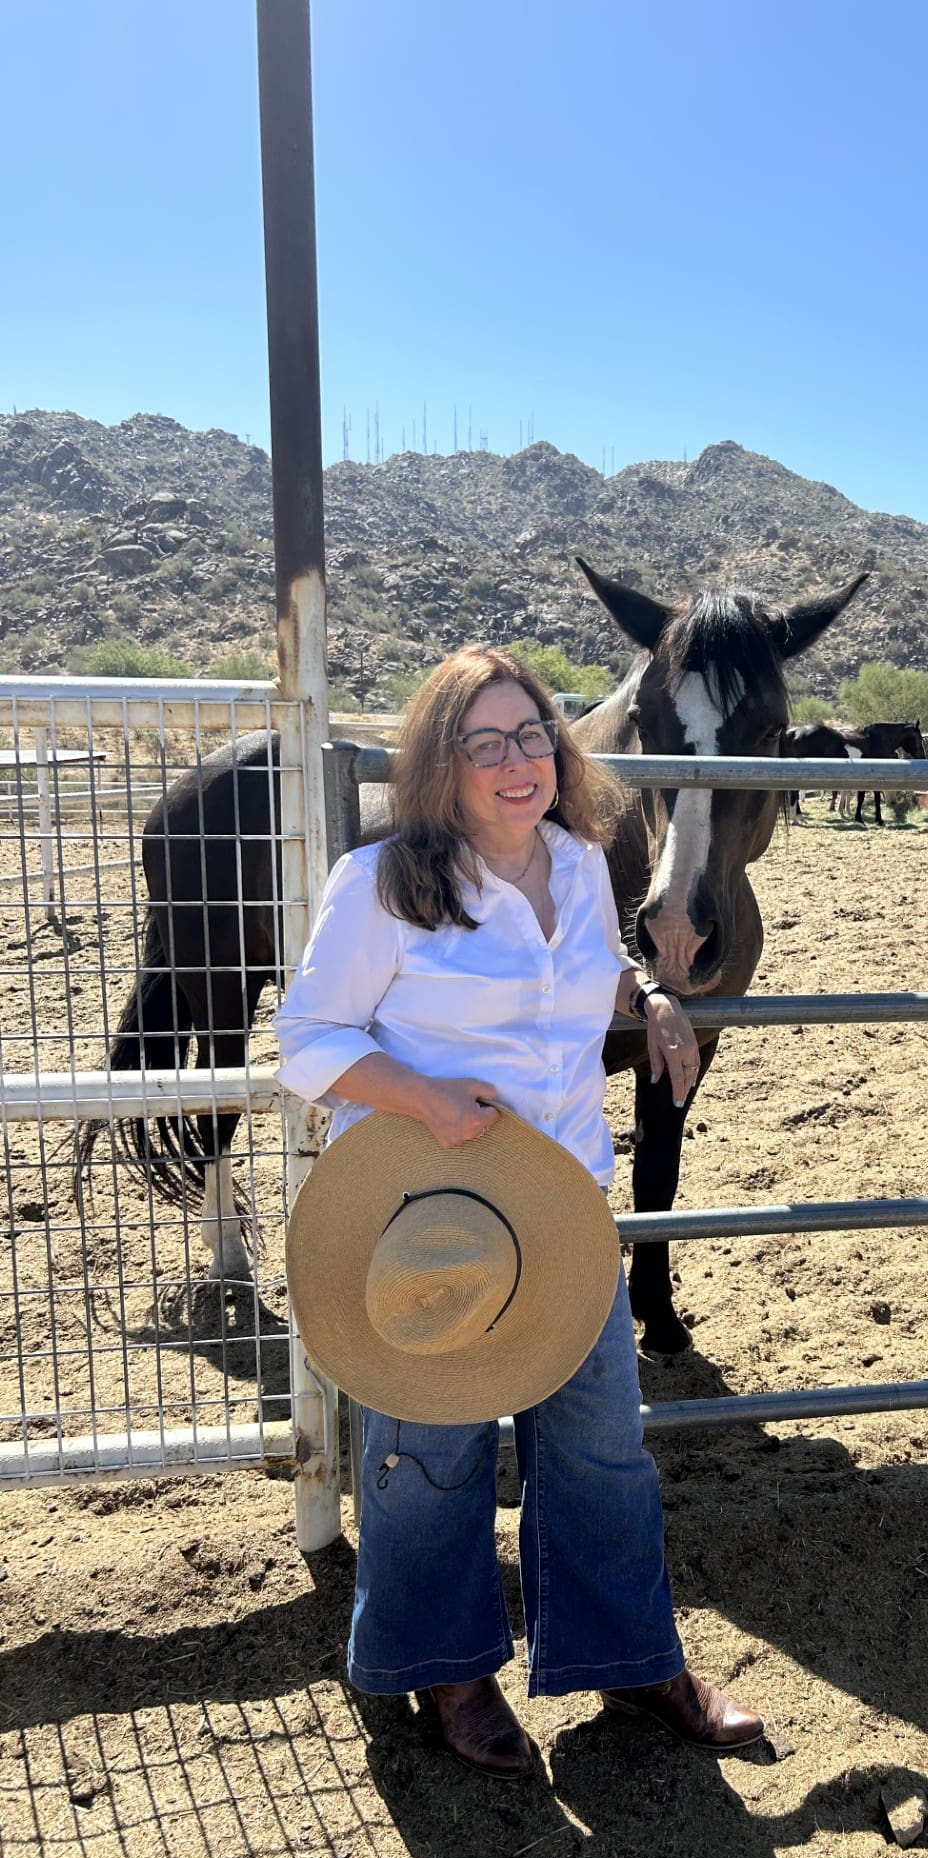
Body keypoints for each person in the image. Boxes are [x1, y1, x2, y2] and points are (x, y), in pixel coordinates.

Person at [274, 645, 764, 1777]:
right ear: (440, 764)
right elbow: (307, 1041)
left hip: (558, 1206)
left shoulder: (581, 859)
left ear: (560, 748)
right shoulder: (386, 882)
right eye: (482, 743)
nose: (514, 762)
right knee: (436, 1452)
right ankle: (447, 1670)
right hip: (433, 1216)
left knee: (602, 1448)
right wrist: (424, 1098)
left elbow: (588, 970)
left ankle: (634, 1658)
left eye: (531, 735)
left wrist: (648, 996)